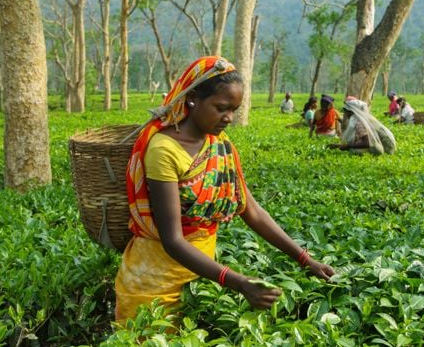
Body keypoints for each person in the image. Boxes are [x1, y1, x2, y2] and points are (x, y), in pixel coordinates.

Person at [115, 56, 335, 323]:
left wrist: (305, 259)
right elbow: (172, 240)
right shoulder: (164, 150)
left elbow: (251, 209)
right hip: (153, 282)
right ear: (193, 98)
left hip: (200, 278)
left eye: (234, 109)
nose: (228, 118)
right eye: (221, 108)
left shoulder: (220, 144)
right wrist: (238, 282)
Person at [329, 96, 397, 155]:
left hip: (368, 149)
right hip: (369, 147)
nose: (345, 111)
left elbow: (367, 143)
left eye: (346, 110)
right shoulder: (357, 120)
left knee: (353, 150)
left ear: (352, 110)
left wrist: (347, 146)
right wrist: (340, 146)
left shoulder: (359, 122)